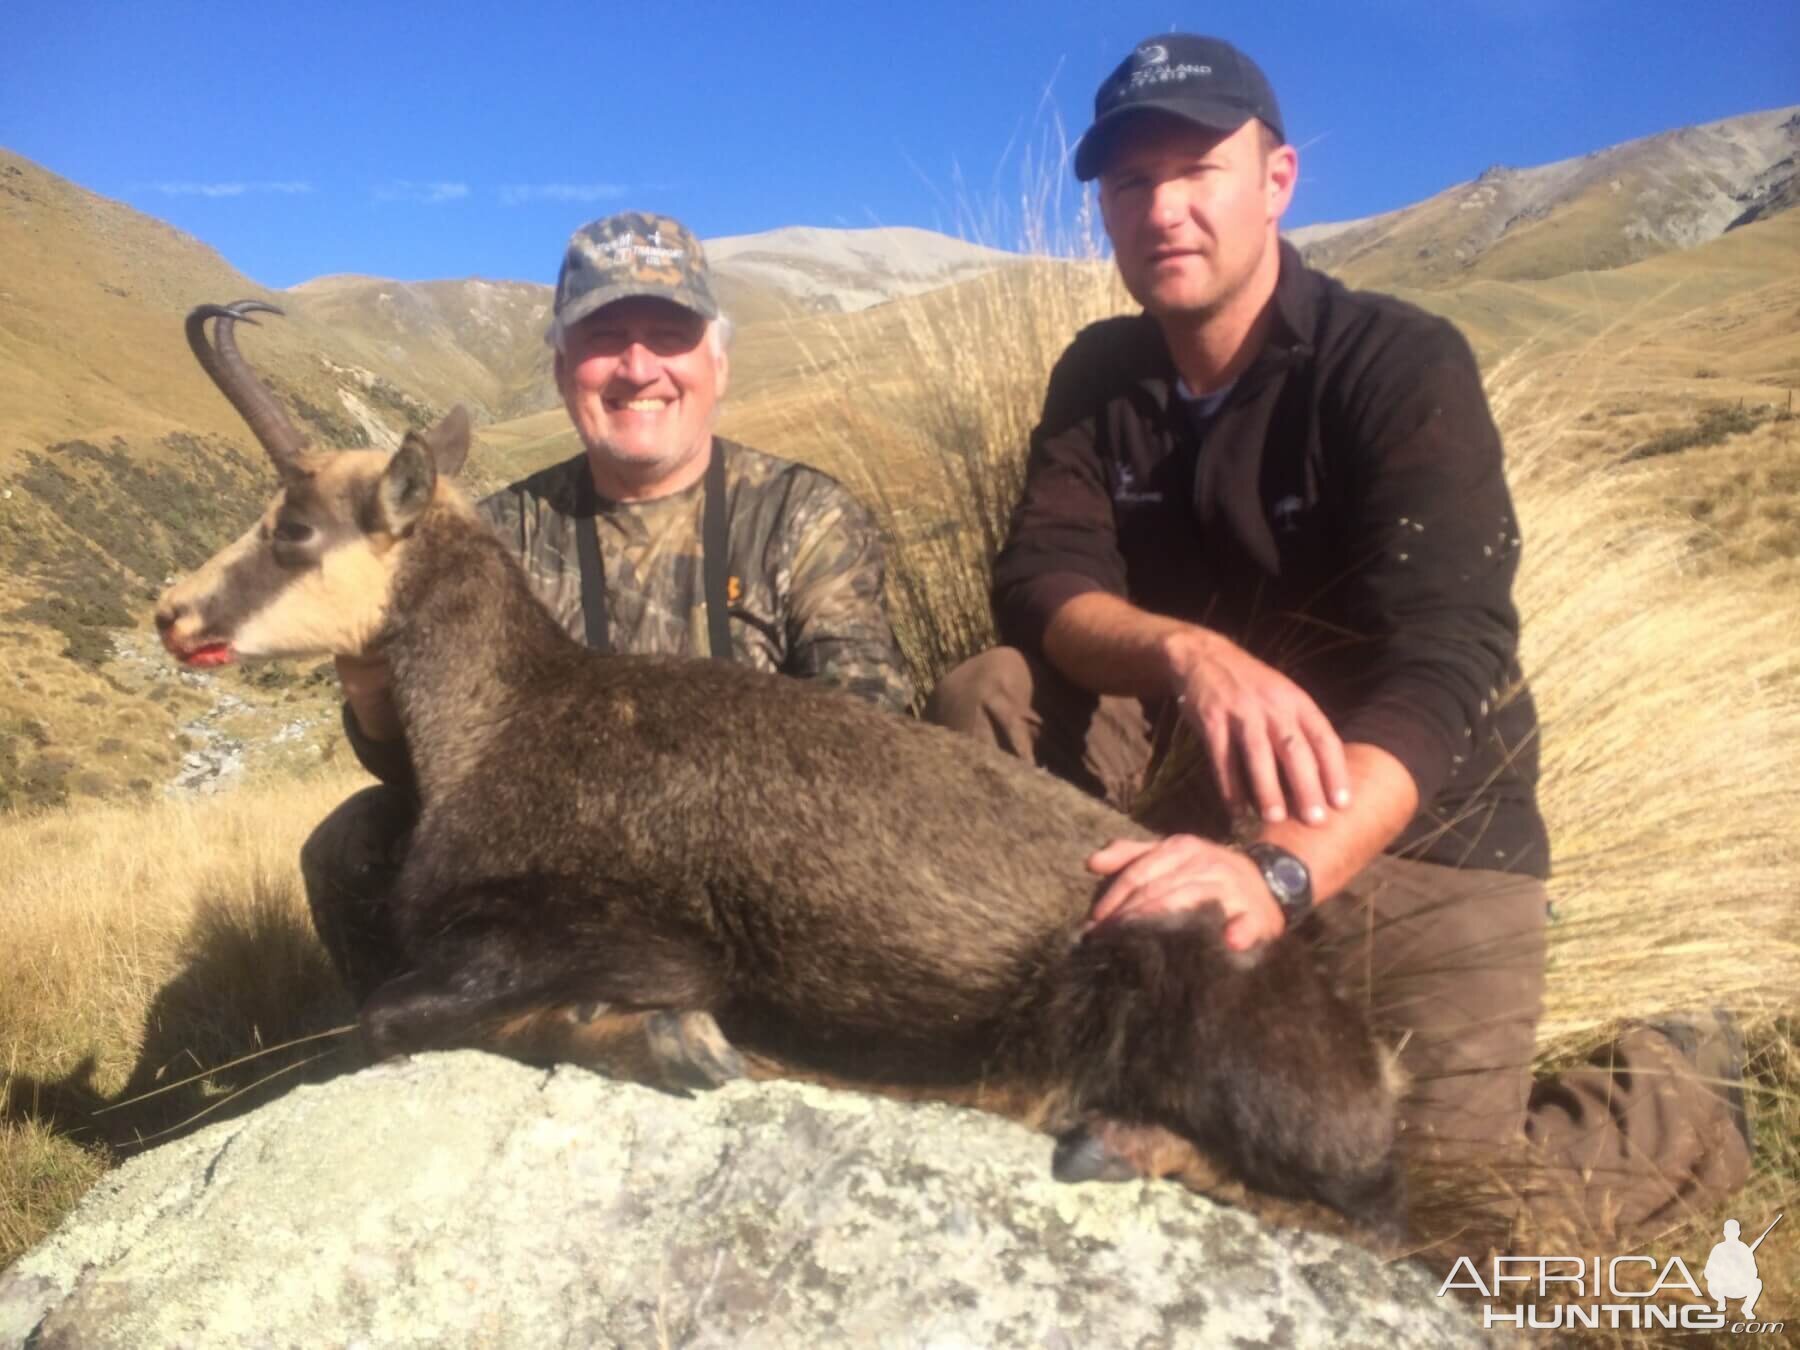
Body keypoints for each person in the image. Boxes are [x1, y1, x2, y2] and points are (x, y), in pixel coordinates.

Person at [926, 34, 1750, 1244]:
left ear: (1278, 179)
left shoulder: (1400, 363)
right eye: (1129, 181)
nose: (1164, 207)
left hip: (1414, 827)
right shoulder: (1100, 373)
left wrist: (1278, 869)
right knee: (991, 692)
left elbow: (1451, 655)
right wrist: (1188, 655)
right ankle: (1067, 1023)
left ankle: (1686, 1083)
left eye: (1198, 166)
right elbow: (1040, 584)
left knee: (1432, 1227)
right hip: (1183, 785)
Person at [304, 211, 912, 1002]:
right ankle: (427, 1064)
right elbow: (429, 772)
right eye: (603, 337)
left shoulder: (804, 516)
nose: (637, 366)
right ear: (562, 370)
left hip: (763, 866)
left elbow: (867, 735)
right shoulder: (492, 535)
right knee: (355, 844)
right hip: (553, 877)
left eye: (669, 334)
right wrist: (371, 697)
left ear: (717, 364)